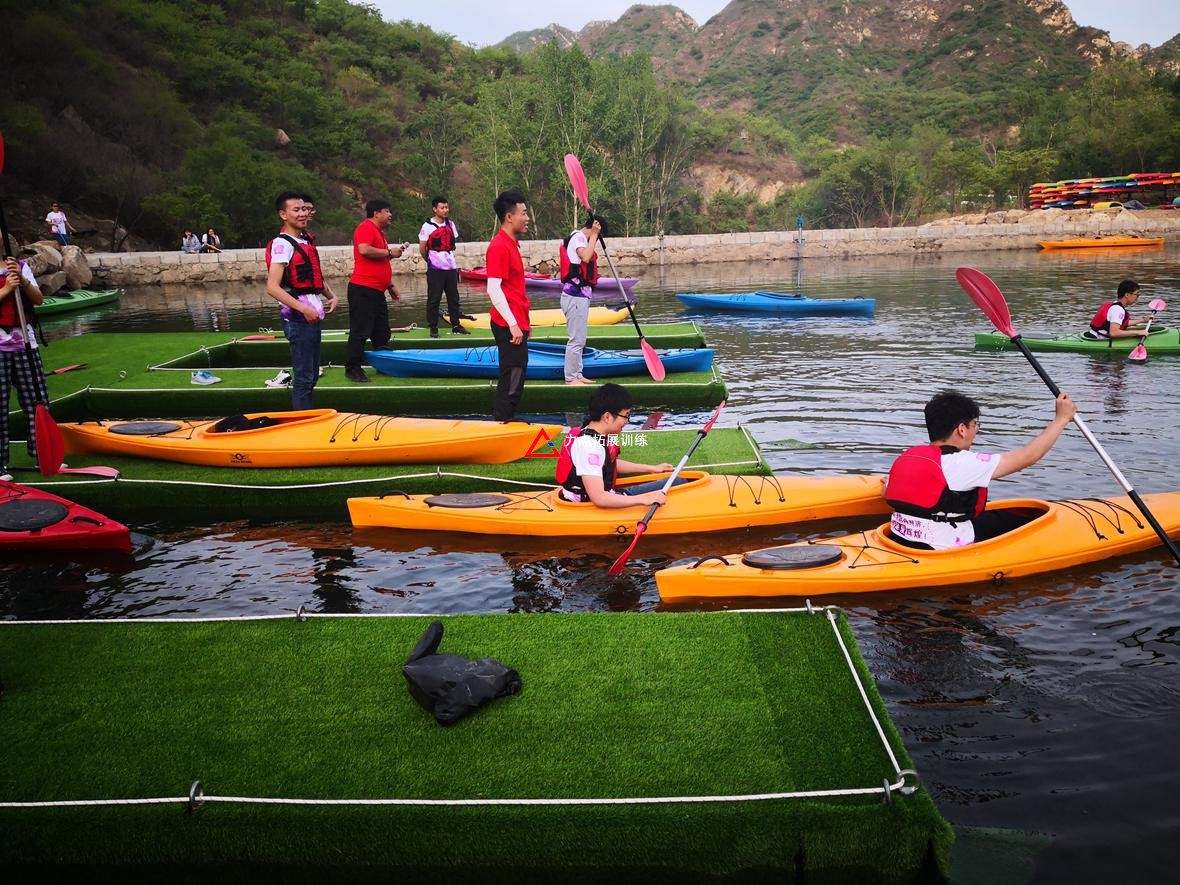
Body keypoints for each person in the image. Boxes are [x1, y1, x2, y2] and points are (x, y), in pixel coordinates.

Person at [885, 389, 1077, 550]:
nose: (975, 431)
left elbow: (888, 489)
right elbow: (1029, 456)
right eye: (975, 425)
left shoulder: (908, 456)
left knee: (997, 517)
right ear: (962, 429)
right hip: (942, 545)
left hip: (900, 536)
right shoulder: (963, 463)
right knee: (1023, 524)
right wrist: (1061, 419)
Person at [264, 192, 339, 409]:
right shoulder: (283, 244)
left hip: (311, 316)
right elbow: (272, 287)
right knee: (304, 377)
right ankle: (302, 422)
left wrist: (331, 295)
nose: (303, 213)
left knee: (312, 374)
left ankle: (306, 416)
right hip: (298, 318)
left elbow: (311, 276)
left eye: (305, 209)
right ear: (283, 214)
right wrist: (303, 308)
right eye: (296, 210)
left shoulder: (304, 240)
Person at [556, 383, 674, 508]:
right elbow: (599, 498)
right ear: (607, 417)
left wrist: (651, 468)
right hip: (589, 507)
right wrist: (644, 499)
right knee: (674, 486)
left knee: (675, 481)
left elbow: (606, 462)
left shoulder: (594, 433)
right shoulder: (588, 446)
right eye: (626, 415)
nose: (627, 421)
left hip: (607, 496)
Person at [345, 199, 407, 383]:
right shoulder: (365, 228)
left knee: (381, 331)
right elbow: (364, 250)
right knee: (360, 330)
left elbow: (379, 264)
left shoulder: (379, 233)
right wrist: (389, 252)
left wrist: (390, 286)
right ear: (376, 214)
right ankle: (352, 368)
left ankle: (383, 363)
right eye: (386, 211)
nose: (390, 215)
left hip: (377, 290)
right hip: (363, 289)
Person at [485, 190, 532, 421]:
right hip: (507, 323)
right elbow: (493, 288)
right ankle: (503, 419)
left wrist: (524, 324)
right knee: (512, 372)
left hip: (517, 321)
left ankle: (508, 416)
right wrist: (513, 324)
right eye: (523, 213)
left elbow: (514, 290)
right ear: (509, 217)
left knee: (519, 370)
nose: (527, 218)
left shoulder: (512, 244)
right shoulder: (499, 246)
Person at [0, 257, 47, 478]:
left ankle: (42, 453)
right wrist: (7, 288)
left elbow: (39, 300)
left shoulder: (18, 265)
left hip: (25, 343)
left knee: (36, 400)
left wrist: (22, 281)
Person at [559, 214, 605, 385]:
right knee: (576, 340)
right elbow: (585, 257)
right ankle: (570, 378)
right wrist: (594, 234)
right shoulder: (579, 237)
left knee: (580, 339)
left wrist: (593, 236)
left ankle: (577, 374)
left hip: (580, 298)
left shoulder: (581, 238)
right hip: (574, 297)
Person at [418, 195, 468, 338]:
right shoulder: (427, 226)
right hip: (435, 268)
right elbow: (422, 248)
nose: (445, 210)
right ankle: (433, 327)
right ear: (435, 209)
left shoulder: (450, 224)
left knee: (454, 298)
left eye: (447, 207)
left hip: (450, 266)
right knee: (434, 299)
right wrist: (429, 260)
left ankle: (456, 325)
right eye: (442, 208)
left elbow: (453, 242)